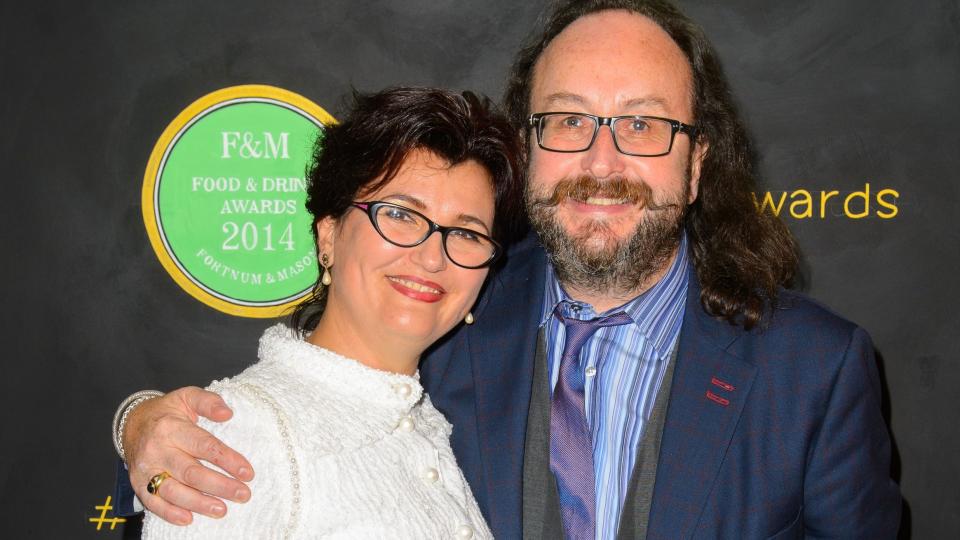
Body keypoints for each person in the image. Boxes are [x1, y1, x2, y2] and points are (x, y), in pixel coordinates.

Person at [115, 1, 902, 538]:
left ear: (696, 165)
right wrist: (143, 427)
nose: (603, 160)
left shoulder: (815, 372)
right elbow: (255, 440)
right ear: (528, 151)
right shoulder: (444, 308)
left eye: (642, 123)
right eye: (567, 121)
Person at [132, 86, 524, 538]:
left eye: (467, 234)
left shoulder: (430, 425)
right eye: (399, 214)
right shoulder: (245, 432)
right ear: (328, 235)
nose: (433, 256)